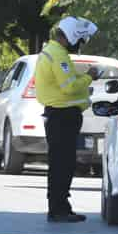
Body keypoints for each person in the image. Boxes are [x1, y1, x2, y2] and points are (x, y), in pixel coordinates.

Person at [35, 16, 100, 223]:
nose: (79, 46)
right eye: (80, 41)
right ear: (72, 37)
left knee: (60, 163)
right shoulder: (58, 56)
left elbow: (65, 83)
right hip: (62, 117)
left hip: (60, 115)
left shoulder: (53, 52)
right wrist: (89, 76)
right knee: (62, 164)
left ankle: (60, 206)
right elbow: (70, 86)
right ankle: (58, 208)